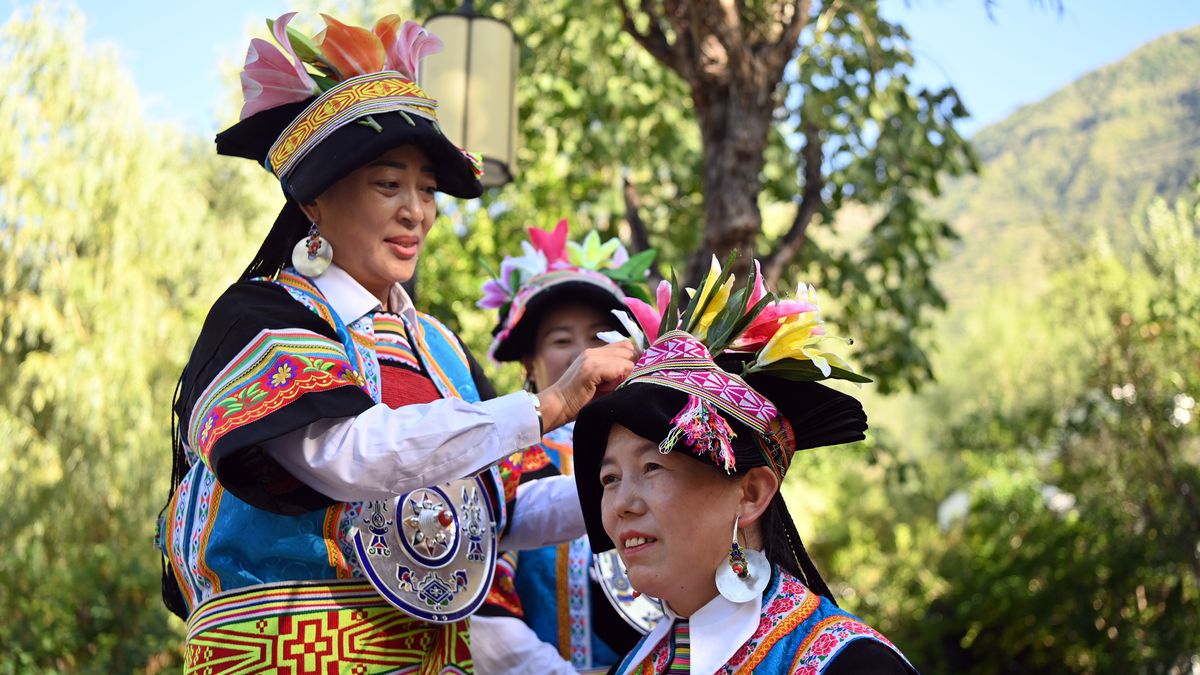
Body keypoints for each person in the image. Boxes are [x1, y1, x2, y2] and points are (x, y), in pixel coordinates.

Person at [155, 12, 635, 673]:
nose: (416, 210)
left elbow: (506, 508)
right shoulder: (263, 317)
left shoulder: (439, 350)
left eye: (428, 189)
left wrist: (637, 475)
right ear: (315, 200)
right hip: (289, 656)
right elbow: (349, 456)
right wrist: (546, 406)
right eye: (389, 183)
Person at [573, 258, 919, 674]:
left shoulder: (848, 665)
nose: (621, 504)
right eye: (609, 478)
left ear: (751, 493)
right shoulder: (632, 666)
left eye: (652, 467)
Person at [470, 220, 649, 674]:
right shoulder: (501, 454)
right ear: (530, 361)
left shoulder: (660, 443)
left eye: (598, 337)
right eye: (561, 340)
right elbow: (479, 598)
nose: (584, 354)